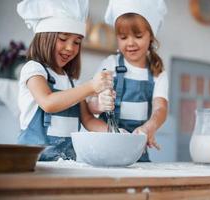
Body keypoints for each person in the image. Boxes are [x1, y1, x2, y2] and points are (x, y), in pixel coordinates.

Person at [16, 0, 113, 161]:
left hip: (66, 163)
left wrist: (116, 133)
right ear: (44, 37)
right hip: (34, 163)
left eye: (77, 42)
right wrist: (90, 87)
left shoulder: (71, 81)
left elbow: (88, 120)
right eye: (63, 38)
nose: (70, 47)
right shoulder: (34, 69)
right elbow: (48, 102)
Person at [88, 0, 168, 162]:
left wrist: (148, 128)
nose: (130, 43)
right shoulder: (110, 64)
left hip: (138, 151)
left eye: (138, 36)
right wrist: (98, 104)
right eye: (123, 37)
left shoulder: (157, 72)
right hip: (106, 147)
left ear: (151, 36)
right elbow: (89, 107)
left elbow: (161, 109)